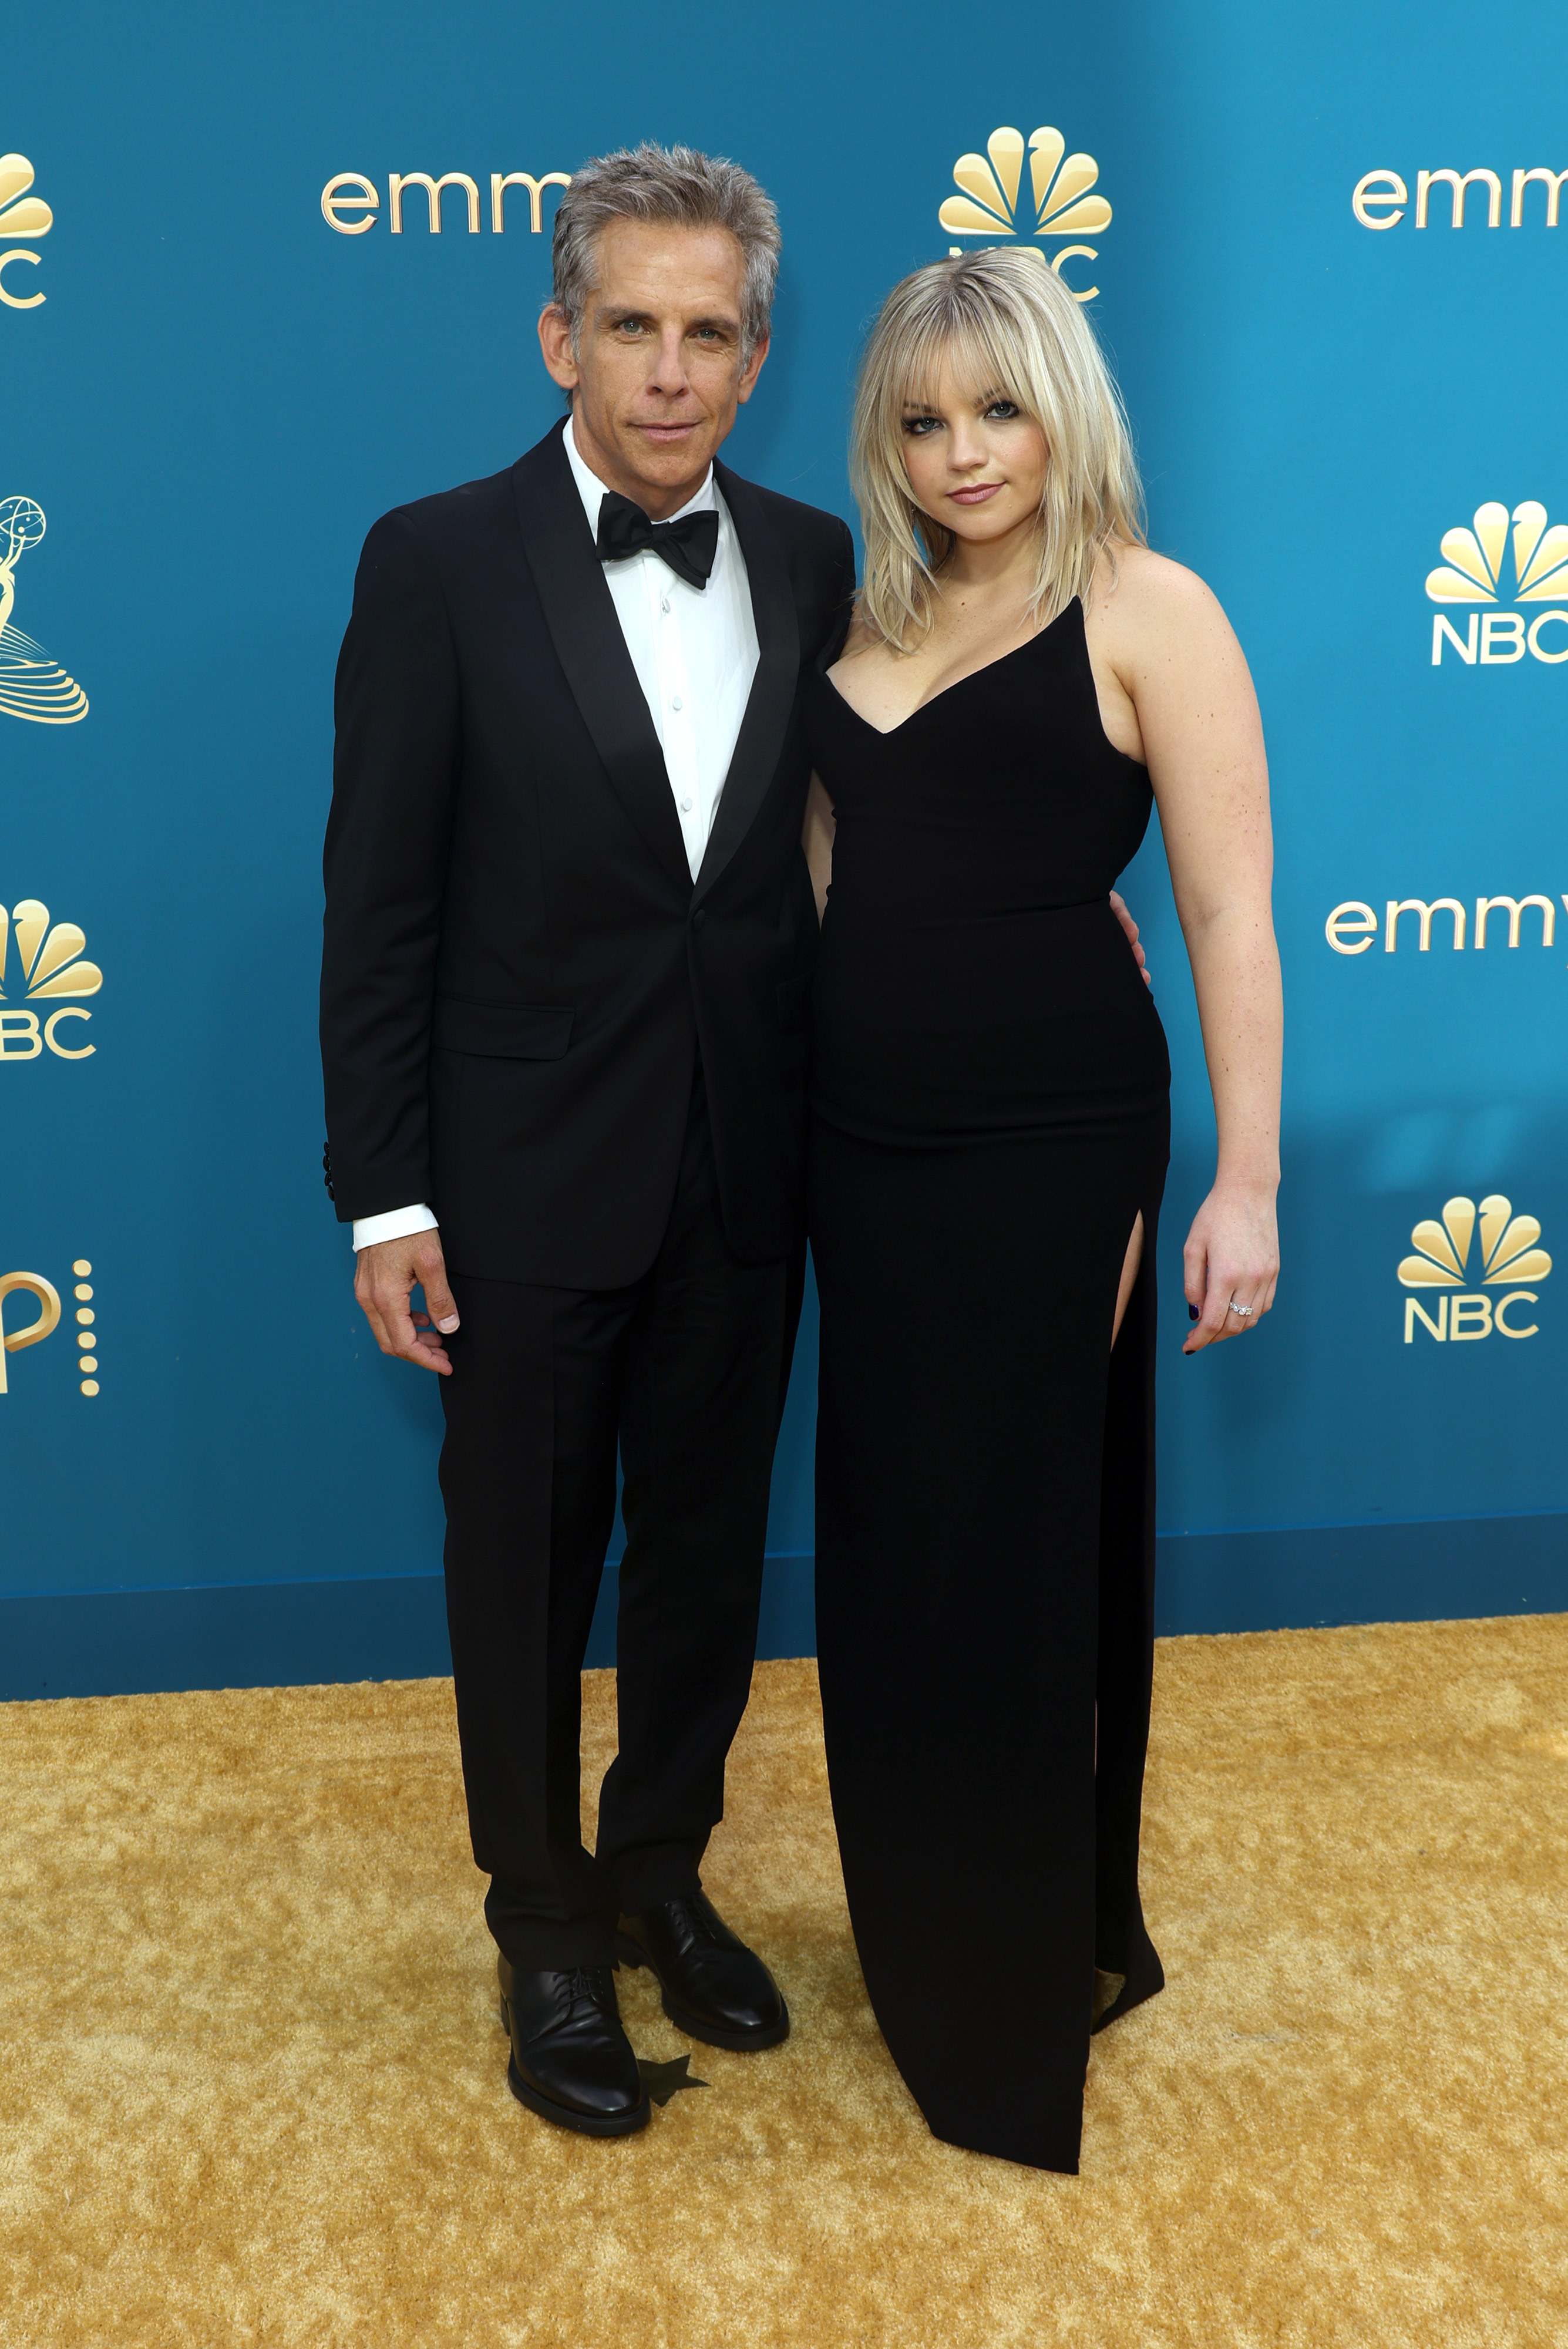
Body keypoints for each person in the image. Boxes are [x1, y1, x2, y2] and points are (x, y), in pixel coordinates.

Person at [319, 145, 858, 2138]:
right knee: (526, 1576)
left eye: (707, 331)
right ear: (559, 335)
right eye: (629, 323)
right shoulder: (437, 559)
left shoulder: (807, 559)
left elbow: (842, 839)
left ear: (757, 356)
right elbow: (376, 907)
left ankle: (657, 1877)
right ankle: (542, 1929)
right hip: (521, 1182)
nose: (667, 368)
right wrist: (387, 1192)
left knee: (705, 1565)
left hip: (747, 1167)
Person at [800, 248, 1282, 2175]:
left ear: (1064, 404)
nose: (961, 452)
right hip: (862, 1148)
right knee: (898, 1543)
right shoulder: (863, 616)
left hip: (1059, 1139)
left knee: (1013, 1550)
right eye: (921, 421)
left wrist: (1245, 1180)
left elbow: (1231, 912)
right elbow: (832, 889)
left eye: (996, 409)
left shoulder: (1149, 606)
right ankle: (940, 1926)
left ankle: (1014, 1987)